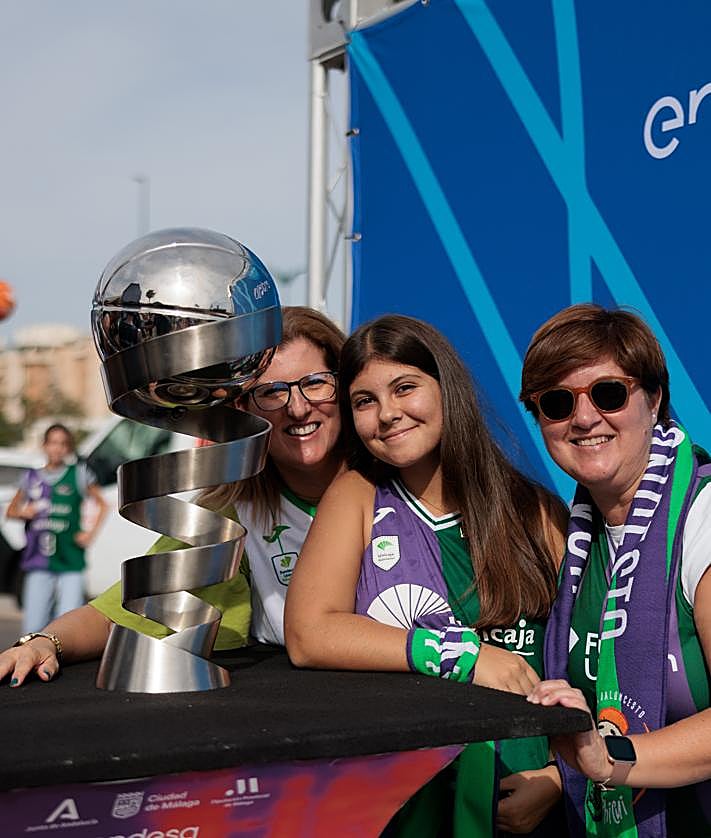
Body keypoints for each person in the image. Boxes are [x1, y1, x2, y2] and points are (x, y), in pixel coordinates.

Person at [285, 314, 568, 836]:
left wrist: (559, 778)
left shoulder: (536, 512)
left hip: (525, 801)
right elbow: (308, 634)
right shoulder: (357, 496)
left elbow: (594, 666)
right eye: (364, 401)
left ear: (446, 388)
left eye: (404, 388)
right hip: (403, 801)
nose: (387, 414)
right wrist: (464, 655)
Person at [0, 306, 345, 684]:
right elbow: (121, 610)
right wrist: (44, 642)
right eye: (271, 392)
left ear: (343, 387)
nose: (297, 408)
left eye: (315, 382)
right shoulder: (233, 515)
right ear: (244, 411)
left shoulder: (395, 493)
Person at [521, 304, 711, 837]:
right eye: (557, 404)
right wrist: (562, 776)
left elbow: (607, 749)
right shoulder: (578, 538)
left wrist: (610, 760)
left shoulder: (703, 518)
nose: (583, 419)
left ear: (654, 400)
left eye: (608, 393)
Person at [7, 423, 108, 634]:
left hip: (70, 559)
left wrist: (90, 533)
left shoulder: (79, 474)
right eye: (53, 443)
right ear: (45, 445)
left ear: (68, 448)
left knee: (66, 626)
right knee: (33, 628)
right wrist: (24, 512)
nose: (57, 448)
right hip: (38, 561)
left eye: (62, 444)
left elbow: (102, 504)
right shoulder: (31, 478)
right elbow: (11, 511)